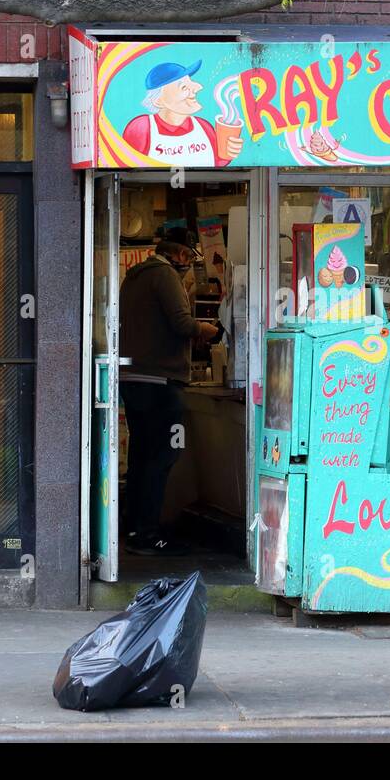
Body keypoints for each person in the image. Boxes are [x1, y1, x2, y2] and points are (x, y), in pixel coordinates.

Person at [119, 230, 219, 555]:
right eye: (189, 258)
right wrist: (205, 329)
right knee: (163, 456)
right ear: (177, 254)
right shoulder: (164, 276)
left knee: (141, 456)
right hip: (161, 383)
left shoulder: (134, 277)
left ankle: (131, 528)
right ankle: (147, 533)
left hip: (134, 380)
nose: (189, 264)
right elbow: (181, 322)